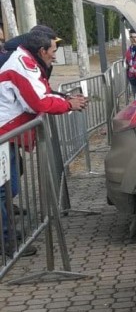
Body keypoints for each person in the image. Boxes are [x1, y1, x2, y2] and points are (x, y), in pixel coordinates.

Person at [0, 26, 88, 256]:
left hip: (6, 134)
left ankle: (6, 233)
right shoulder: (21, 66)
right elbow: (38, 102)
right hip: (3, 133)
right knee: (3, 189)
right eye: (53, 50)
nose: (55, 54)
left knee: (11, 186)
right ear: (41, 50)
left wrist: (65, 98)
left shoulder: (27, 61)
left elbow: (44, 92)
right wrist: (68, 104)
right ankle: (5, 241)